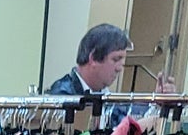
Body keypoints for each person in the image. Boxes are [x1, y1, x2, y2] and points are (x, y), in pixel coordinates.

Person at [47, 24, 176, 100]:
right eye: (115, 59)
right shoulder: (61, 96)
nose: (120, 68)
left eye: (122, 60)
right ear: (93, 58)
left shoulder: (105, 94)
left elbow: (130, 123)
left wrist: (157, 102)